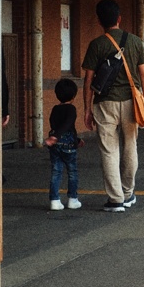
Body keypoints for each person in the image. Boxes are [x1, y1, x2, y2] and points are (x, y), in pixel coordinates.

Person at [81, 0, 144, 213]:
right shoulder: (136, 42)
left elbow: (89, 80)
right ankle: (128, 193)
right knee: (130, 145)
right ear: (119, 19)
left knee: (109, 150)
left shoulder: (96, 45)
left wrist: (87, 109)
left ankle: (115, 199)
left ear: (99, 20)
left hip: (105, 104)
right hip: (132, 101)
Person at [46, 78, 83, 211]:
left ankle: (54, 200)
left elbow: (54, 124)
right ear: (73, 96)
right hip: (68, 146)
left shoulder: (55, 108)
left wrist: (54, 137)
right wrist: (76, 140)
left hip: (55, 146)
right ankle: (73, 199)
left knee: (56, 172)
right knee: (72, 171)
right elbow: (68, 126)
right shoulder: (71, 109)